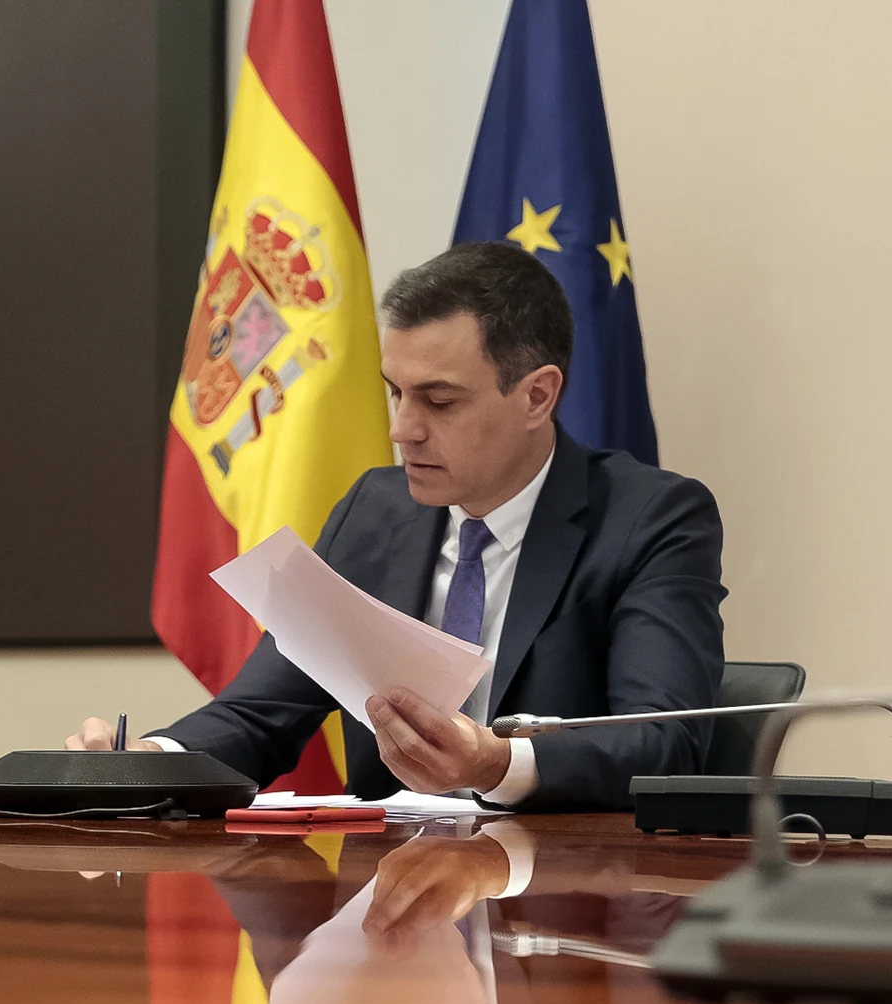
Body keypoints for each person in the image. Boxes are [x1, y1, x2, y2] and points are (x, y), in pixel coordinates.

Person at [67, 241, 725, 810]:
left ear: (537, 395)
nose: (402, 429)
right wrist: (145, 761)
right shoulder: (375, 511)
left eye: (438, 400)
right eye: (396, 392)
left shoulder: (649, 521)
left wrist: (495, 764)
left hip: (559, 912)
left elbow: (664, 743)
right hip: (390, 911)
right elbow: (259, 713)